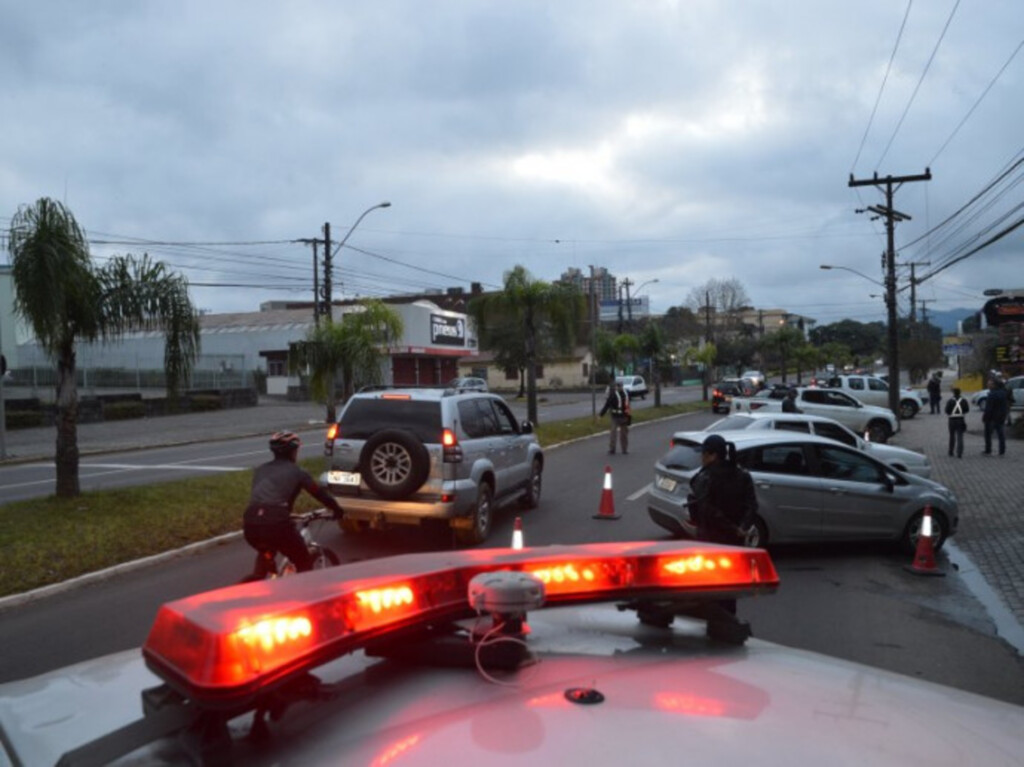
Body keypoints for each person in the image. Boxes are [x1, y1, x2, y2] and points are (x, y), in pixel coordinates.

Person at [243, 431, 345, 577]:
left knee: (263, 564)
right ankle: (300, 596)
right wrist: (337, 509)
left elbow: (266, 499)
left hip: (251, 524)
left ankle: (250, 587)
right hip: (276, 524)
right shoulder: (298, 472)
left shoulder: (260, 470)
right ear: (293, 451)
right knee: (303, 563)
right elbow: (319, 494)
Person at [687, 434, 759, 617]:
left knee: (707, 588)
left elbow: (705, 510)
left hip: (710, 542)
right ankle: (728, 623)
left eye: (703, 454)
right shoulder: (742, 475)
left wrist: (731, 527)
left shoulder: (705, 478)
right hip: (734, 544)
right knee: (729, 590)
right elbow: (752, 506)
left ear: (712, 455)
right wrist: (741, 528)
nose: (701, 458)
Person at [599, 380, 631, 454]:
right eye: (618, 386)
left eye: (620, 386)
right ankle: (612, 449)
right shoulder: (613, 395)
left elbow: (628, 406)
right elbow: (607, 405)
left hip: (624, 416)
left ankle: (624, 449)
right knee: (613, 433)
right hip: (615, 417)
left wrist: (629, 417)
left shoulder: (626, 394)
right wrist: (601, 415)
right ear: (616, 387)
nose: (619, 387)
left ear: (622, 386)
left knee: (624, 434)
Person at [982, 377, 1011, 456]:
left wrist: (985, 417)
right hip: (1001, 417)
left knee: (988, 434)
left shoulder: (992, 394)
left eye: (989, 384)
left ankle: (988, 449)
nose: (988, 385)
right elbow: (1005, 406)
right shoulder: (1003, 393)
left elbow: (989, 408)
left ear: (993, 385)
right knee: (1001, 434)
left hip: (991, 418)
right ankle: (1002, 450)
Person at [944, 386, 969, 458]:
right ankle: (959, 452)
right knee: (960, 436)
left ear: (953, 393)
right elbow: (967, 410)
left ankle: (951, 451)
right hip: (961, 419)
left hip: (952, 420)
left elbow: (947, 410)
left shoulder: (950, 400)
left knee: (952, 436)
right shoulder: (964, 400)